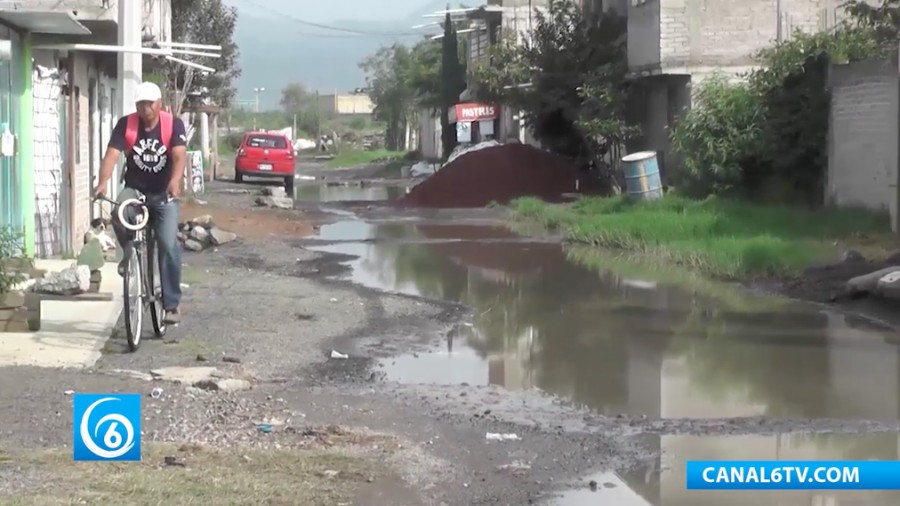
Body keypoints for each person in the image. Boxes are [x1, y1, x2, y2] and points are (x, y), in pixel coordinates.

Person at [93, 81, 186, 325]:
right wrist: (103, 182)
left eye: (149, 104)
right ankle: (128, 254)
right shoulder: (127, 124)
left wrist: (175, 182)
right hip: (135, 189)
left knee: (167, 245)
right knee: (118, 212)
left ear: (159, 104)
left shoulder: (172, 124)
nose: (145, 109)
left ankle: (172, 305)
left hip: (164, 193)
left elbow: (179, 157)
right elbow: (112, 154)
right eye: (140, 104)